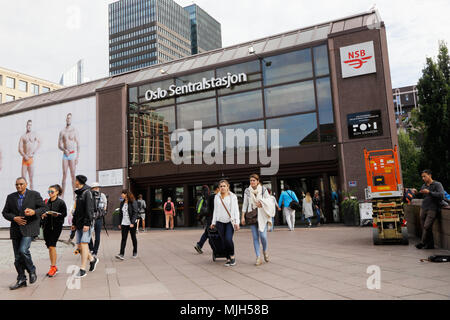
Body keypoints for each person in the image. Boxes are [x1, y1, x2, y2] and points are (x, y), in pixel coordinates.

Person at [2, 177, 46, 290]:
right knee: (17, 258)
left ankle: (32, 270)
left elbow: (43, 208)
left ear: (26, 184)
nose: (19, 186)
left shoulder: (34, 194)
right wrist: (14, 218)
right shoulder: (11, 197)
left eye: (21, 184)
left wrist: (34, 212)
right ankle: (21, 279)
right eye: (16, 184)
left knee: (23, 250)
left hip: (29, 227)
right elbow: (5, 212)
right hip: (16, 229)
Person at [241, 174, 275, 266]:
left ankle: (264, 250)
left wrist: (262, 203)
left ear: (258, 181)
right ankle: (258, 257)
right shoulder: (247, 191)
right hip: (251, 216)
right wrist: (242, 216)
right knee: (255, 237)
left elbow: (270, 201)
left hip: (262, 215)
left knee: (263, 236)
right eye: (250, 180)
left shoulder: (263, 190)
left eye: (253, 180)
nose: (252, 182)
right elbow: (245, 204)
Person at [71, 175, 99, 278]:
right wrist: (74, 223)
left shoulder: (87, 192)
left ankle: (82, 269)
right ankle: (92, 259)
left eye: (75, 180)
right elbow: (77, 211)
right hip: (78, 223)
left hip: (85, 224)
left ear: (78, 182)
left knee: (83, 244)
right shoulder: (79, 193)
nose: (74, 182)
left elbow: (89, 209)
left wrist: (87, 223)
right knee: (80, 247)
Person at [210, 180, 240, 267]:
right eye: (221, 186)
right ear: (219, 188)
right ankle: (228, 258)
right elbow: (215, 210)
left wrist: (237, 222)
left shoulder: (233, 197)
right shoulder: (217, 197)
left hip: (229, 222)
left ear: (228, 187)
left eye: (224, 186)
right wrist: (213, 222)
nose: (222, 188)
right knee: (223, 241)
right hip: (219, 222)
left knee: (228, 239)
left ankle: (232, 256)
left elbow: (236, 210)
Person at [414, 170, 445, 249]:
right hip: (424, 208)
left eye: (424, 176)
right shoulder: (424, 185)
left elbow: (441, 195)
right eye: (422, 177)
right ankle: (430, 245)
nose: (423, 178)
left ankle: (422, 242)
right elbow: (422, 196)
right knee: (426, 227)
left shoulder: (437, 184)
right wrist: (416, 193)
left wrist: (429, 192)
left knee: (427, 226)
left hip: (433, 208)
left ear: (430, 175)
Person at [42, 184, 67, 277]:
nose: (50, 193)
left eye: (52, 192)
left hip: (56, 227)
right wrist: (43, 215)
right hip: (46, 227)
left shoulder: (61, 203)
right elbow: (42, 212)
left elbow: (64, 214)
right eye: (48, 192)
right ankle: (54, 267)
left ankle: (53, 267)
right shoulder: (46, 202)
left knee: (52, 246)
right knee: (49, 247)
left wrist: (57, 215)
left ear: (57, 192)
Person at [58, 113, 80, 199]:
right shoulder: (62, 131)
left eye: (70, 119)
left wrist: (77, 157)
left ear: (71, 120)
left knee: (73, 175)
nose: (68, 120)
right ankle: (62, 195)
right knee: (64, 174)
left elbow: (78, 144)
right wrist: (64, 150)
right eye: (67, 118)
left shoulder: (74, 130)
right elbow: (59, 145)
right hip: (65, 155)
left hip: (72, 154)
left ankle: (74, 194)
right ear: (66, 119)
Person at [194, 184, 219, 254]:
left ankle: (199, 245)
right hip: (212, 218)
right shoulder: (213, 197)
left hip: (209, 217)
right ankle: (200, 245)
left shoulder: (208, 197)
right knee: (210, 233)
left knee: (207, 232)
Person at [116, 190, 138, 260]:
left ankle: (135, 251)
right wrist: (119, 223)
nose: (121, 195)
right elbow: (120, 214)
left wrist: (132, 222)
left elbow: (135, 213)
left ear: (126, 194)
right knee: (123, 239)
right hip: (124, 223)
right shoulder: (122, 203)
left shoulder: (133, 202)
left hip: (131, 223)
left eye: (123, 193)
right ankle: (121, 254)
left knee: (133, 237)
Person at [18, 120, 41, 190]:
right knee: (23, 179)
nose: (29, 126)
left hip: (30, 159)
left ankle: (32, 194)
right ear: (26, 126)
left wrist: (34, 151)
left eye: (30, 125)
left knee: (31, 178)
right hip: (24, 159)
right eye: (28, 125)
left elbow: (40, 142)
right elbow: (20, 148)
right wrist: (24, 155)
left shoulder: (34, 134)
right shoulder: (23, 136)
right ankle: (23, 194)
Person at [89, 182, 107, 258]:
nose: (97, 189)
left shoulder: (101, 195)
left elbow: (105, 205)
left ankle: (94, 250)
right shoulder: (100, 195)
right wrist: (102, 212)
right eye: (96, 187)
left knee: (95, 235)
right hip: (96, 218)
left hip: (95, 218)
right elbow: (105, 206)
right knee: (89, 235)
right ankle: (93, 250)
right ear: (92, 188)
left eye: (98, 187)